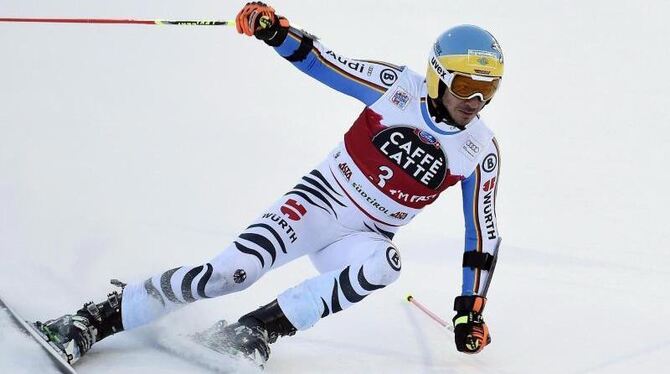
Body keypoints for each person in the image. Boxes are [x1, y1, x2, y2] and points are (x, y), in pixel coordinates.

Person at [36, 1, 504, 367]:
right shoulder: (396, 87)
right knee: (229, 274)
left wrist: (470, 308)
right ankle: (93, 319)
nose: (476, 101)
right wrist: (276, 32)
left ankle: (257, 330)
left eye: (489, 89)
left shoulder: (480, 150)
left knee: (386, 264)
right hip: (320, 202)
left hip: (366, 236)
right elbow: (325, 62)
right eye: (466, 86)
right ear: (438, 77)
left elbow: (482, 234)